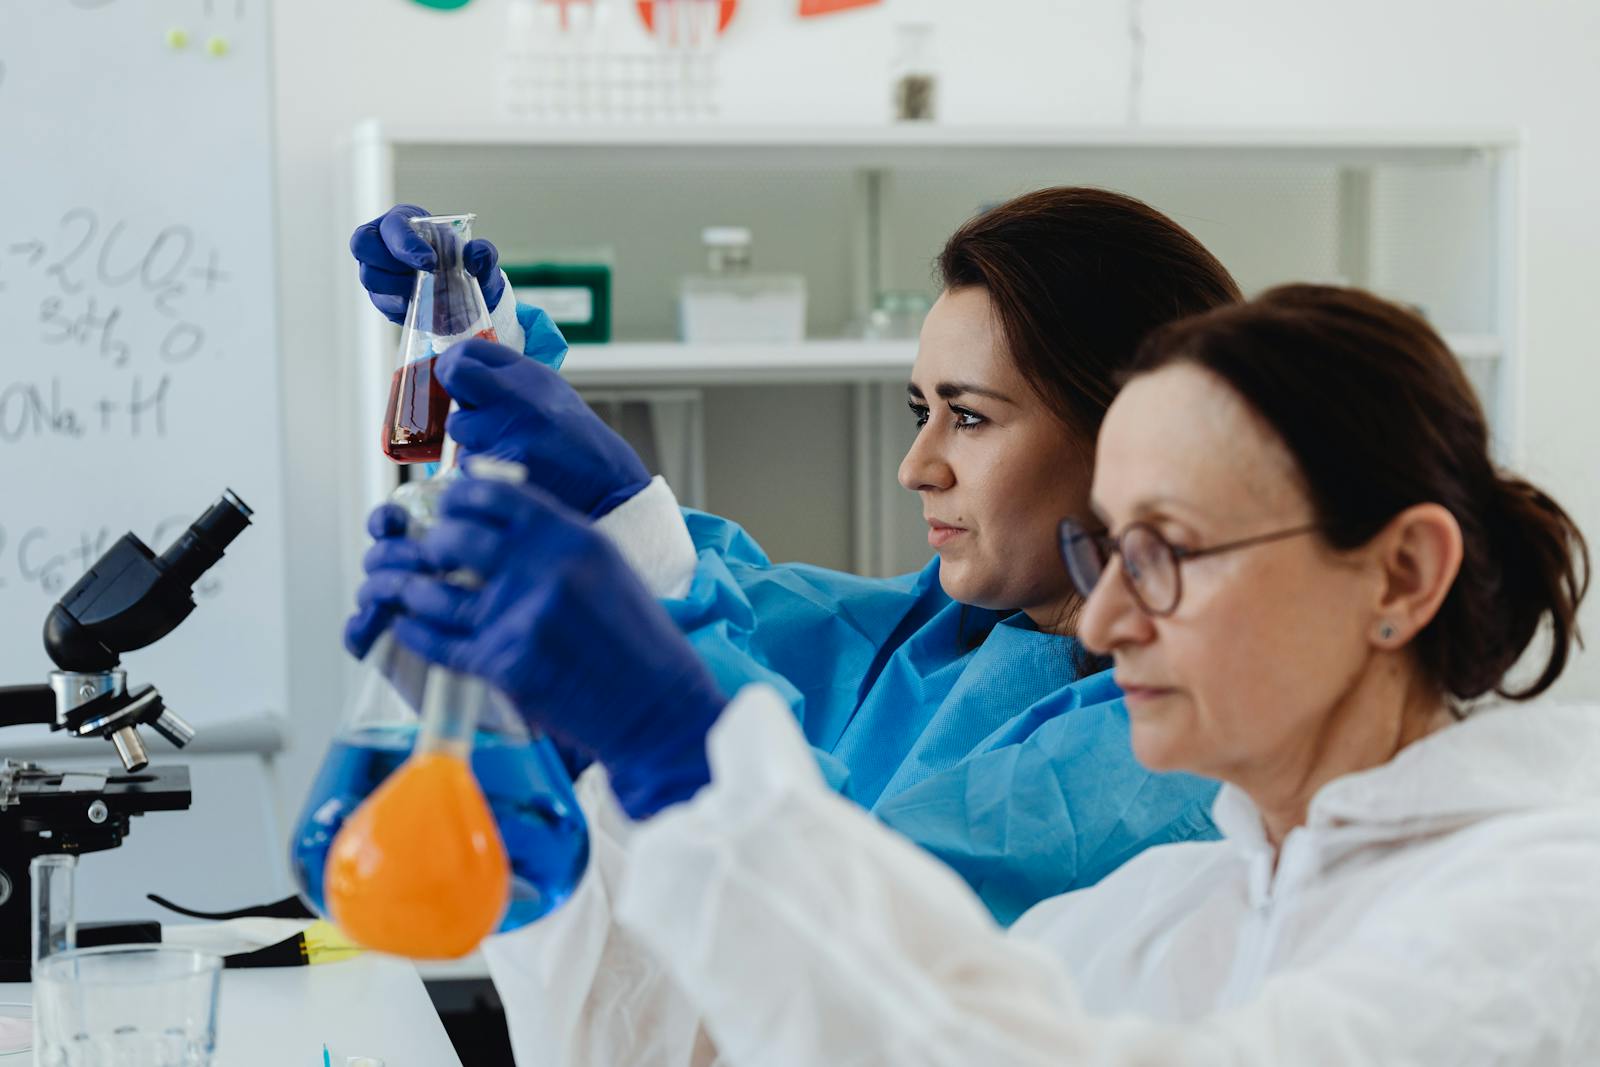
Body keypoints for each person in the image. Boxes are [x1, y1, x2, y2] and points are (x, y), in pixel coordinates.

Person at [383, 285, 1596, 1064]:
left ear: (1397, 575)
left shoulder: (1543, 907)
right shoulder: (1176, 900)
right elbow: (735, 1045)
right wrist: (557, 779)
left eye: (1166, 551)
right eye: (1105, 550)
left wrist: (690, 770)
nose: (1109, 614)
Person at [349, 189, 1238, 922]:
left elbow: (844, 913)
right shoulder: (951, 632)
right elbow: (751, 607)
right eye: (917, 410)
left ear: (1132, 438)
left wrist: (629, 538)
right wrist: (484, 345)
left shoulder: (1166, 749)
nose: (915, 467)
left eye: (968, 417)